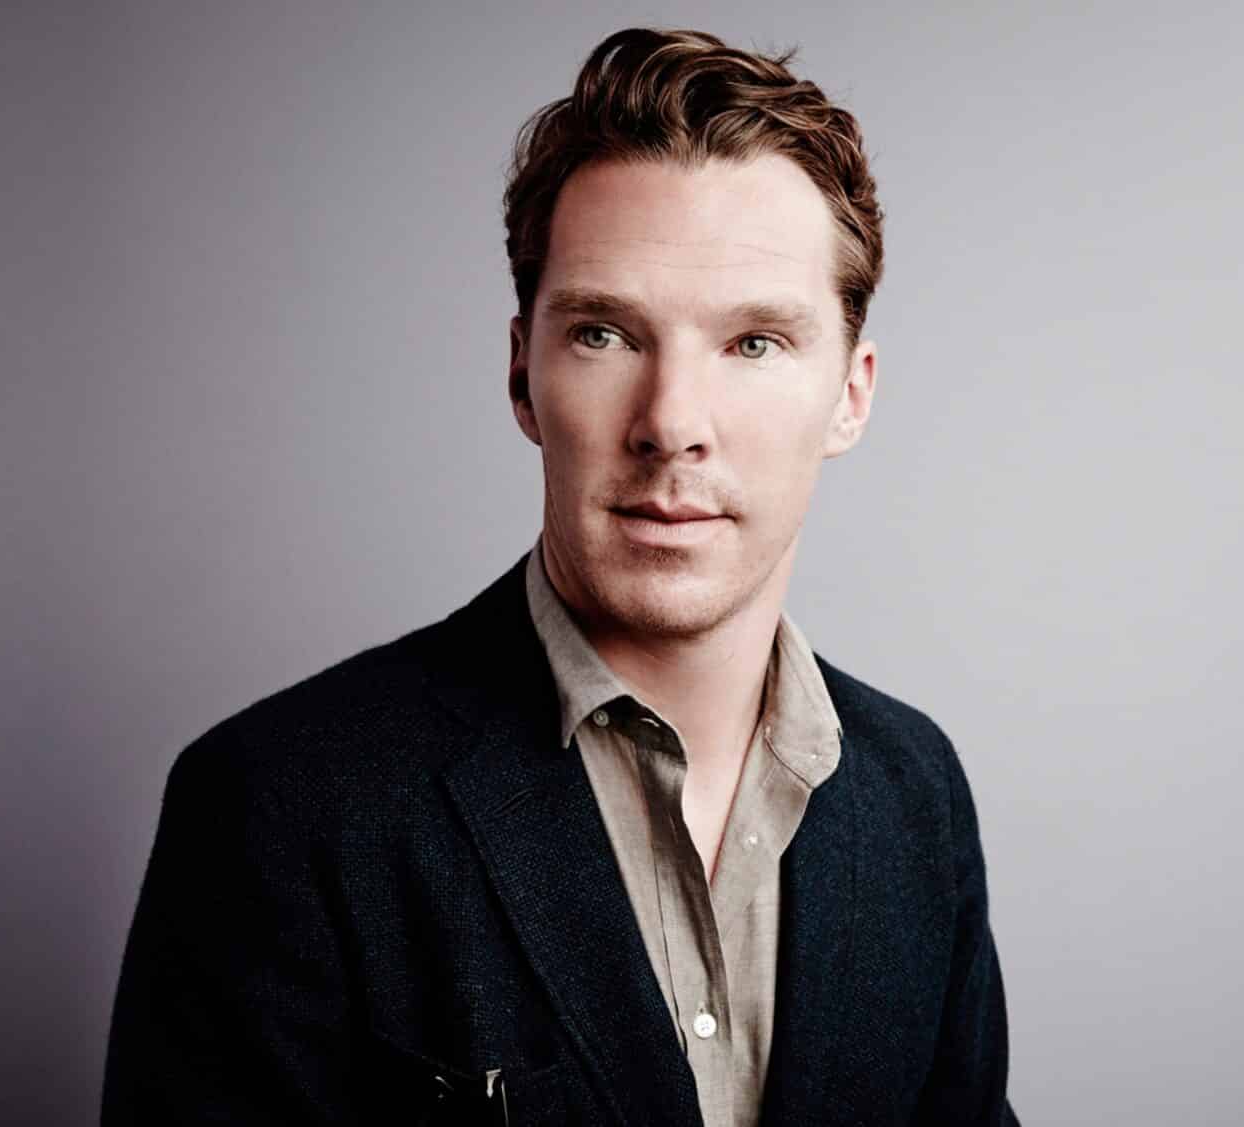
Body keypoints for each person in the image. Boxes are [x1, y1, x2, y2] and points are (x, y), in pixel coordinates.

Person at [101, 27, 1018, 1126]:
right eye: (603, 333)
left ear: (850, 394)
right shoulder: (280, 808)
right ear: (520, 374)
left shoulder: (916, 790)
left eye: (754, 343)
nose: (672, 422)